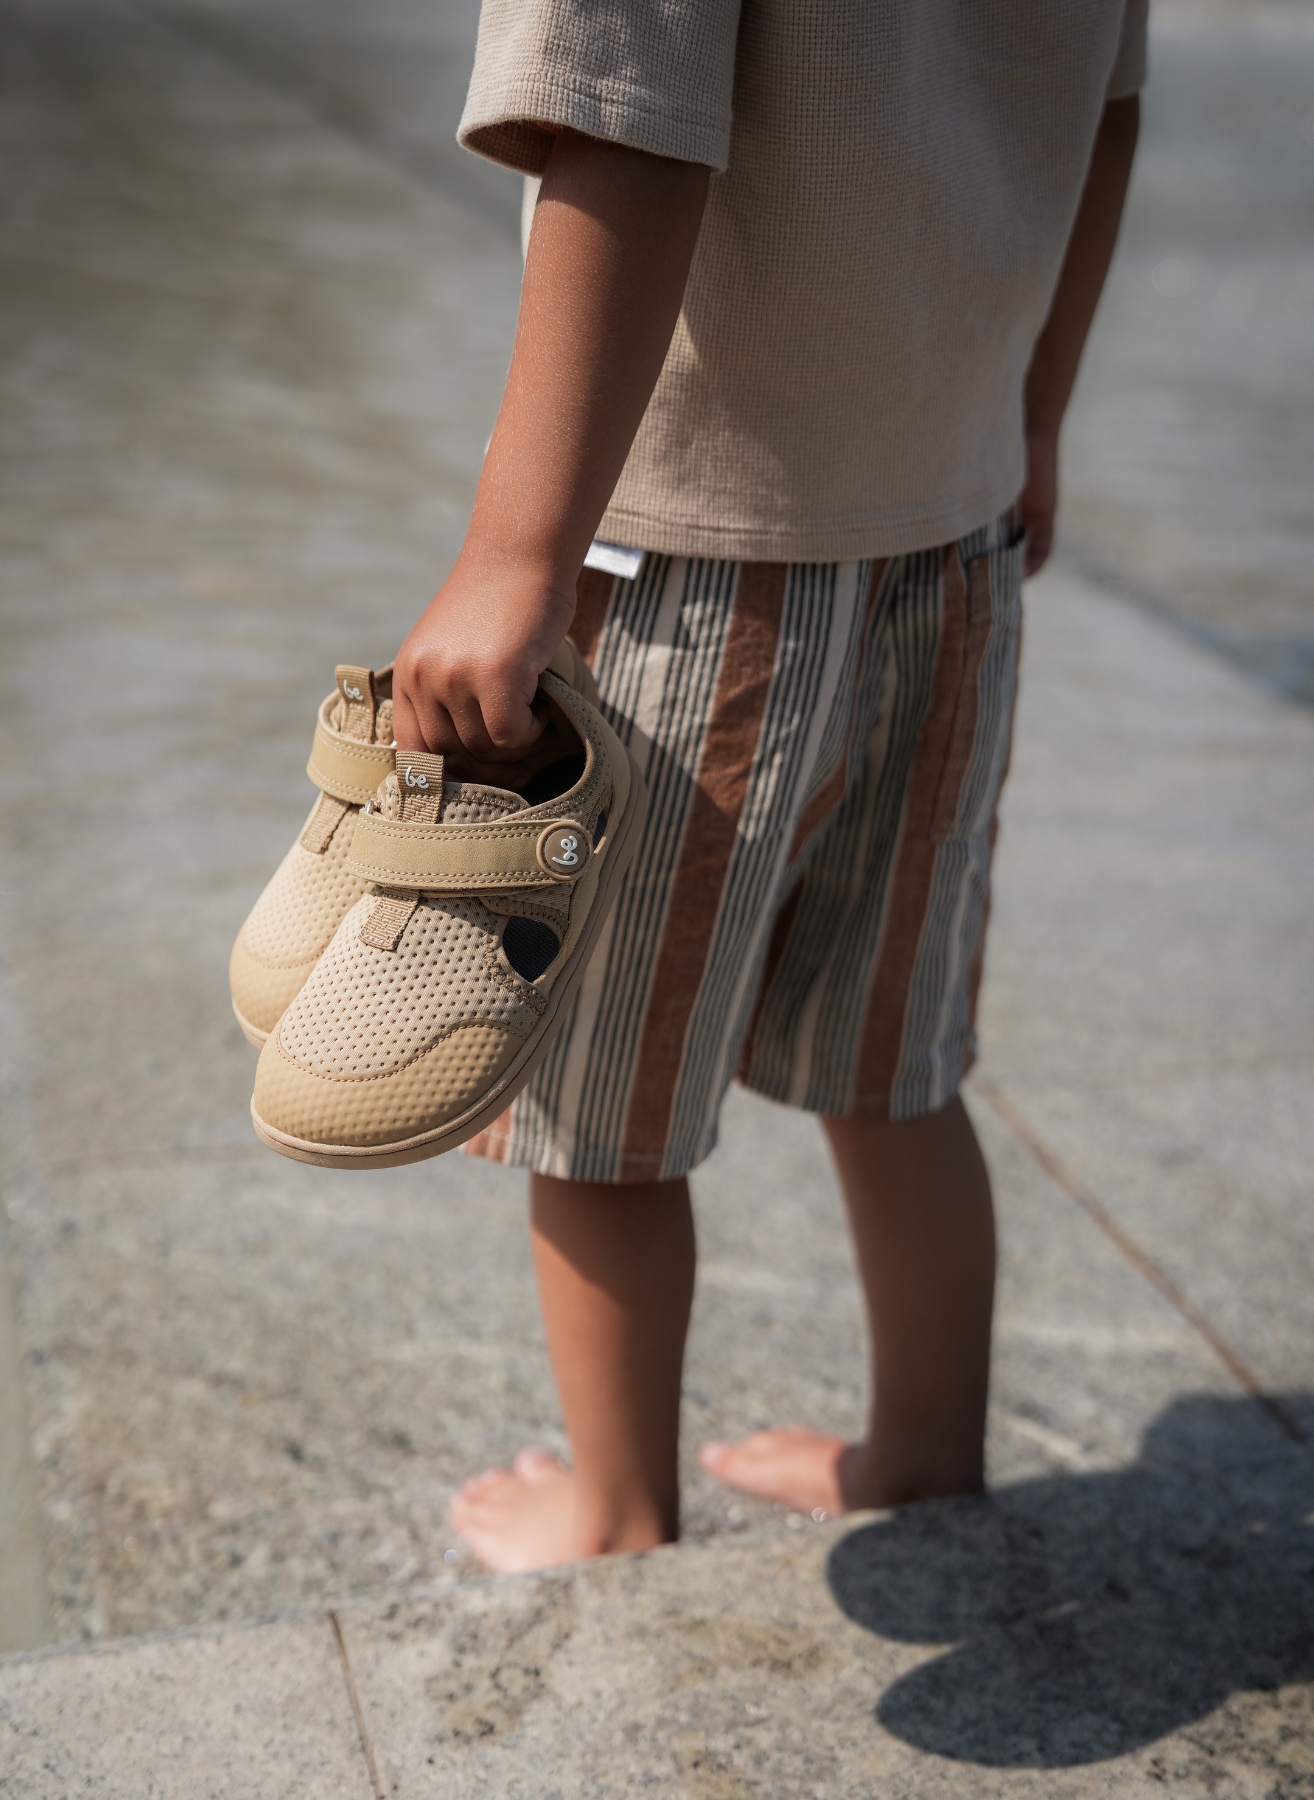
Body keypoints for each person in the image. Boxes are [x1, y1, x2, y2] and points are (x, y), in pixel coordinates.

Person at [391, 0, 1145, 1572]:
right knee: (893, 1050)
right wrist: (1035, 419)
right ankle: (926, 1455)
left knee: (599, 1099)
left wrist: (514, 553)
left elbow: (622, 114)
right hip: (953, 528)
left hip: (697, 557)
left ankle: (612, 1512)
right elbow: (1106, 114)